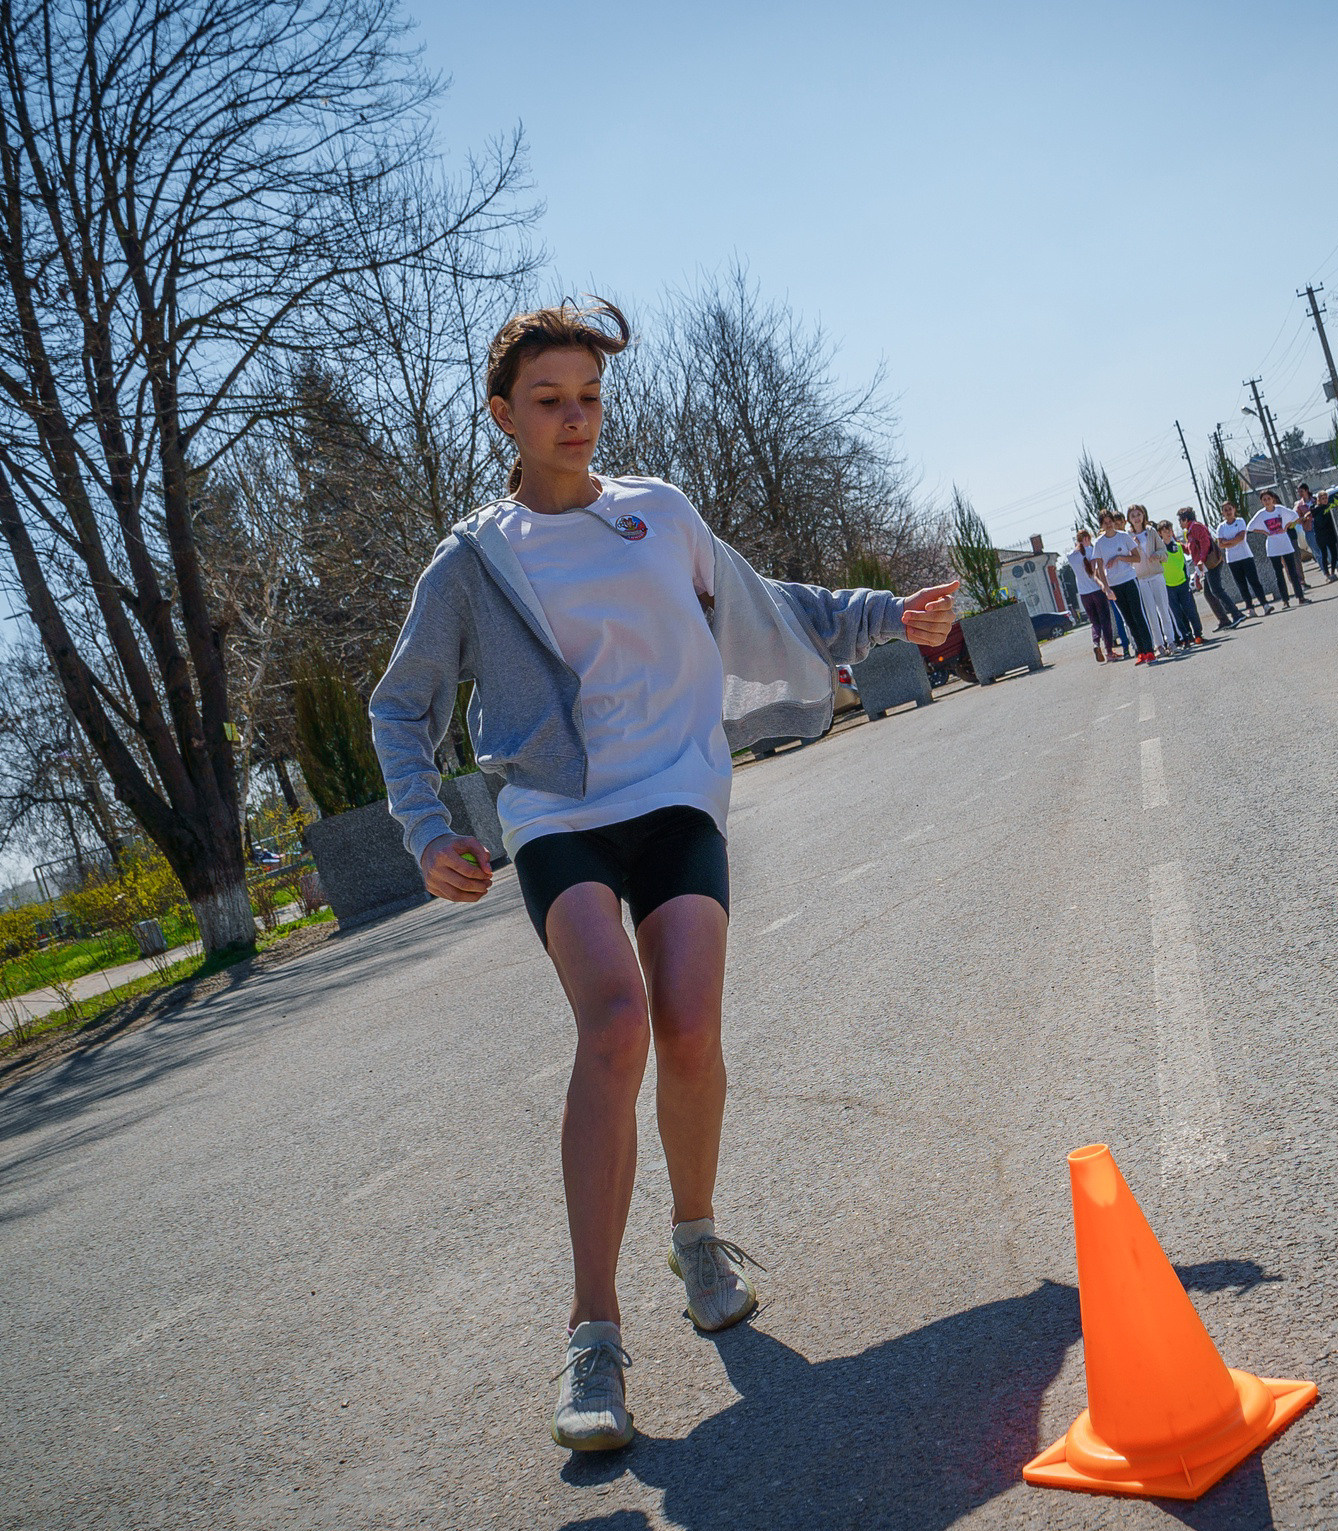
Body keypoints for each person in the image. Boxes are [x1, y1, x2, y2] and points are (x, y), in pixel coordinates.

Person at [369, 298, 958, 1452]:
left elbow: (764, 605)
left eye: (588, 396)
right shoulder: (475, 560)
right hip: (558, 813)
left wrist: (888, 615)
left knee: (688, 1027)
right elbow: (402, 703)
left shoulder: (660, 514)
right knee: (616, 1022)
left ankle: (694, 1237)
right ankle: (593, 1335)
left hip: (676, 793)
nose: (575, 418)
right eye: (549, 400)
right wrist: (424, 826)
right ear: (503, 415)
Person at [1091, 507, 1158, 663]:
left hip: (1129, 580)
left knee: (1138, 615)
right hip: (1115, 585)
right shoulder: (1099, 543)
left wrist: (1120, 558)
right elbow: (1099, 568)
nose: (1108, 525)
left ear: (1114, 522)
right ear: (1101, 525)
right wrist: (1106, 588)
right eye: (1105, 523)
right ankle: (1140, 652)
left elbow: (1136, 558)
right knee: (1128, 619)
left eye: (1110, 522)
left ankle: (1149, 650)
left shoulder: (1123, 537)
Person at [1125, 505, 1181, 654]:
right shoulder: (1128, 536)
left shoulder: (1151, 531)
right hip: (1141, 579)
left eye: (1139, 514)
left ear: (1144, 515)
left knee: (1163, 609)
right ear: (1129, 519)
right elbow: (1129, 559)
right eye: (1133, 516)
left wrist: (1157, 554)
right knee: (1150, 613)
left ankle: (1171, 641)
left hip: (1156, 575)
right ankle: (1159, 645)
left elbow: (1164, 551)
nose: (1137, 518)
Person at [1179, 507, 1241, 628]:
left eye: (1180, 520)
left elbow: (1205, 543)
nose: (1180, 524)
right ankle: (1224, 620)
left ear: (1185, 519)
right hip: (1205, 566)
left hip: (1210, 562)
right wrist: (1178, 544)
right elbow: (1190, 550)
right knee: (1208, 593)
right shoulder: (1189, 531)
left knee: (1216, 590)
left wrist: (1202, 559)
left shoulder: (1196, 527)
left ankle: (1236, 614)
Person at [1064, 528, 1120, 663]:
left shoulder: (1071, 556)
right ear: (1087, 539)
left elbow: (1076, 556)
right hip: (1097, 591)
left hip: (1084, 594)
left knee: (1094, 622)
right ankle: (1109, 651)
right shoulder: (1092, 551)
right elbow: (1098, 572)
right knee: (1105, 621)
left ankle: (1096, 643)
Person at [1249, 489, 1310, 604]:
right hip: (1273, 545)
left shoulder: (1280, 510)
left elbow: (1295, 516)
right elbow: (1250, 527)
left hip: (1285, 543)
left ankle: (1300, 597)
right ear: (1261, 501)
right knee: (1278, 573)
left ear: (1273, 499)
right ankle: (1285, 599)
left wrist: (1286, 526)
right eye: (1264, 499)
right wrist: (1265, 532)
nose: (1267, 501)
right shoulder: (1261, 514)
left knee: (1292, 571)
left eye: (1269, 499)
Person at [1214, 500, 1271, 613]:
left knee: (1254, 581)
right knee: (1241, 585)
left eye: (1230, 509)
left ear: (1234, 509)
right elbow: (1220, 544)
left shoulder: (1240, 521)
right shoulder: (1221, 527)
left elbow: (1241, 538)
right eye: (1226, 510)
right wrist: (1232, 541)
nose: (1228, 512)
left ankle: (1265, 604)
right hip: (1233, 560)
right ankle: (1250, 608)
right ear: (1222, 513)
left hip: (1245, 556)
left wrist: (1228, 542)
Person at [1302, 484, 1338, 577]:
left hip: (1330, 533)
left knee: (1333, 554)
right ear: (1319, 500)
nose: (1325, 500)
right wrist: (1306, 516)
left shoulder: (1329, 507)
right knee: (1324, 554)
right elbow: (1312, 515)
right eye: (1322, 498)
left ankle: (1333, 572)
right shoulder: (1316, 509)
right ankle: (1327, 574)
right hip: (1321, 535)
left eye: (1326, 498)